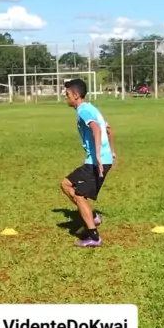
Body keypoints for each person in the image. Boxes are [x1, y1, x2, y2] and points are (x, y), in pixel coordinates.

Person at [60, 79, 116, 248]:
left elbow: (96, 129)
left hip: (96, 161)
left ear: (76, 95)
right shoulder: (92, 109)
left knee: (79, 196)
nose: (66, 97)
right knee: (65, 184)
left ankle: (94, 237)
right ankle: (92, 217)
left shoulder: (84, 110)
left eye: (67, 95)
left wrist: (98, 155)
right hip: (100, 159)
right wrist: (112, 151)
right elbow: (109, 129)